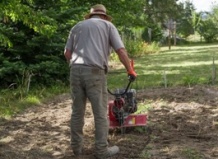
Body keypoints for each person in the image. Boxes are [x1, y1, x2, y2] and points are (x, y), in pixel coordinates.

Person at [64, 4, 137, 159]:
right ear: (104, 16)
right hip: (95, 72)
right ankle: (101, 151)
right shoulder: (108, 26)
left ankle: (76, 150)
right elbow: (121, 51)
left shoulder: (77, 26)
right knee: (100, 114)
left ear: (91, 16)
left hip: (75, 70)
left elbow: (67, 53)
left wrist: (78, 67)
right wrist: (130, 70)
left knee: (77, 112)